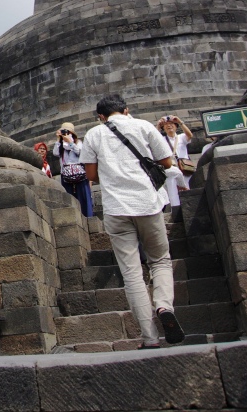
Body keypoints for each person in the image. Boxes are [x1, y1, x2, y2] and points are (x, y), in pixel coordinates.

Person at [79, 94, 185, 348]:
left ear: (101, 117)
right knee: (160, 260)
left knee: (132, 274)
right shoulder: (144, 126)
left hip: (116, 209)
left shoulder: (94, 134)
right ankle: (163, 306)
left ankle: (149, 338)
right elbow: (166, 162)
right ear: (126, 110)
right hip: (148, 203)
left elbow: (91, 174)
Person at [53, 122, 94, 217]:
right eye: (63, 131)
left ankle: (88, 215)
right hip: (66, 173)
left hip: (79, 172)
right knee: (69, 196)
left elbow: (80, 152)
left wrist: (70, 142)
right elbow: (55, 153)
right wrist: (58, 139)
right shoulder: (61, 145)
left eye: (67, 131)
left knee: (84, 196)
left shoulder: (77, 142)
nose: (65, 133)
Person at [157, 115, 193, 212]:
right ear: (164, 128)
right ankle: (176, 209)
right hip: (172, 168)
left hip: (184, 167)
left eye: (171, 124)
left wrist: (180, 121)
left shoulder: (181, 137)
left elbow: (190, 135)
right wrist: (158, 126)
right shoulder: (162, 139)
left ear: (176, 126)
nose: (169, 126)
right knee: (173, 189)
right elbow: (154, 139)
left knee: (187, 188)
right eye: (166, 125)